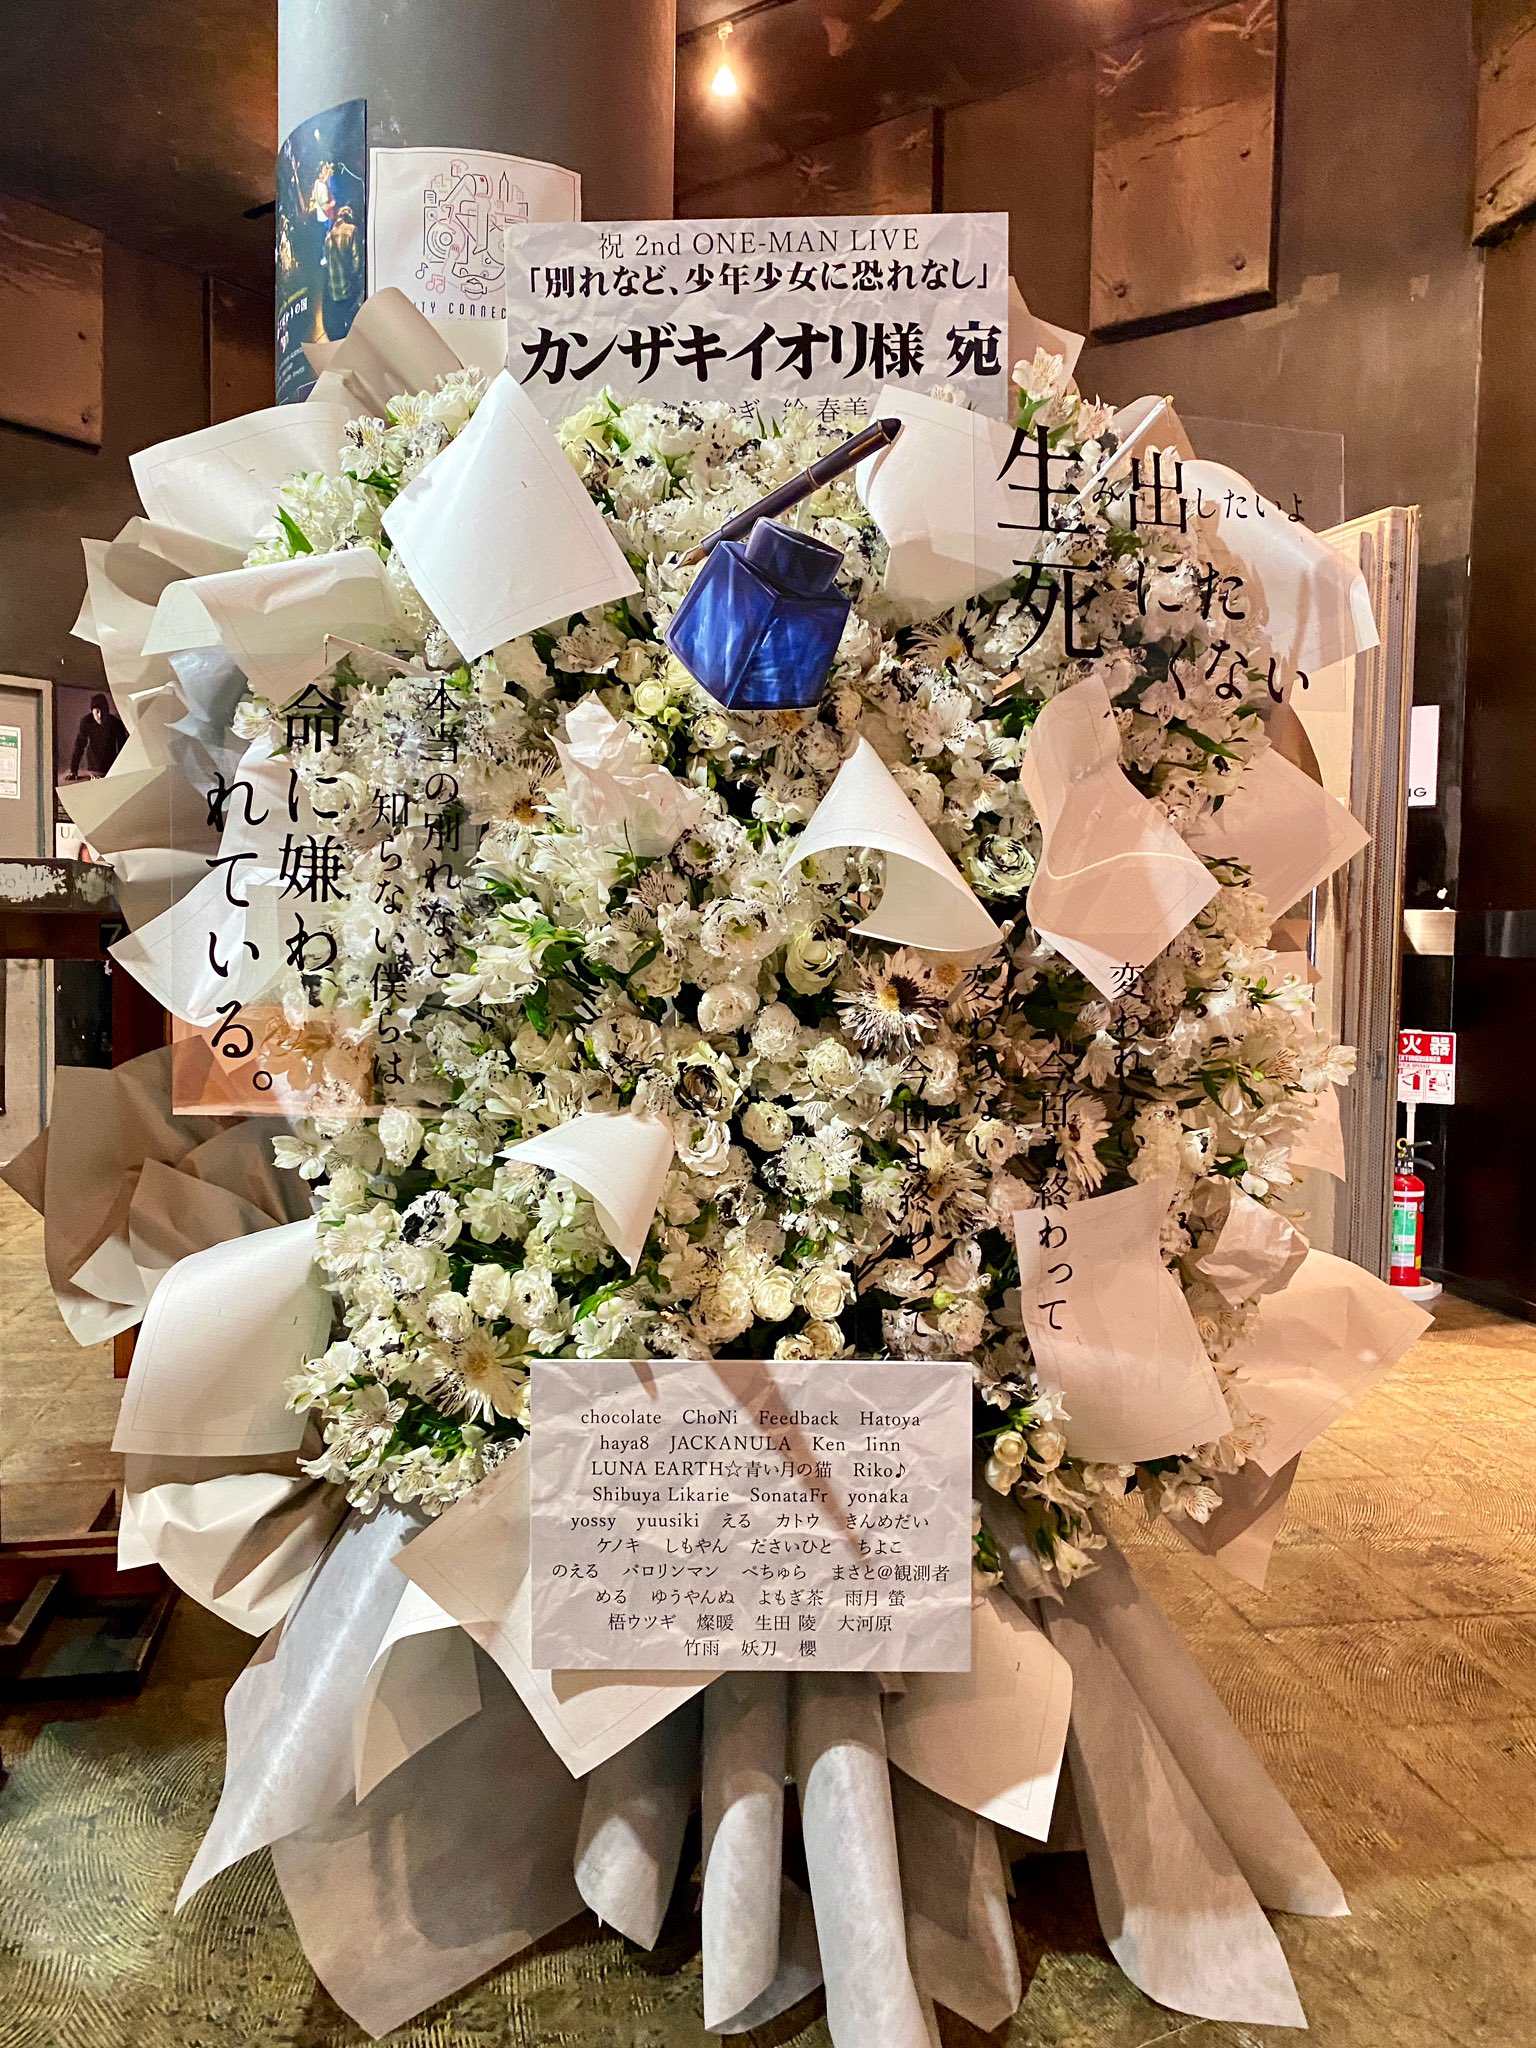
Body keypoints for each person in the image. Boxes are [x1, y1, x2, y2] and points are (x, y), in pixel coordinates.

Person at [322, 203, 364, 340]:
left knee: (341, 315)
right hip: (348, 288)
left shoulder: (329, 236)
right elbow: (357, 260)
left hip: (334, 290)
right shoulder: (352, 230)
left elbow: (326, 261)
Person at [67, 693, 127, 780]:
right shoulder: (87, 722)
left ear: (107, 710)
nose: (100, 715)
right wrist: (73, 770)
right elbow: (79, 746)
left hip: (111, 767)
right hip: (93, 767)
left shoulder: (116, 724)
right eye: (97, 712)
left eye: (103, 711)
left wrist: (121, 769)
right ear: (92, 712)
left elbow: (123, 749)